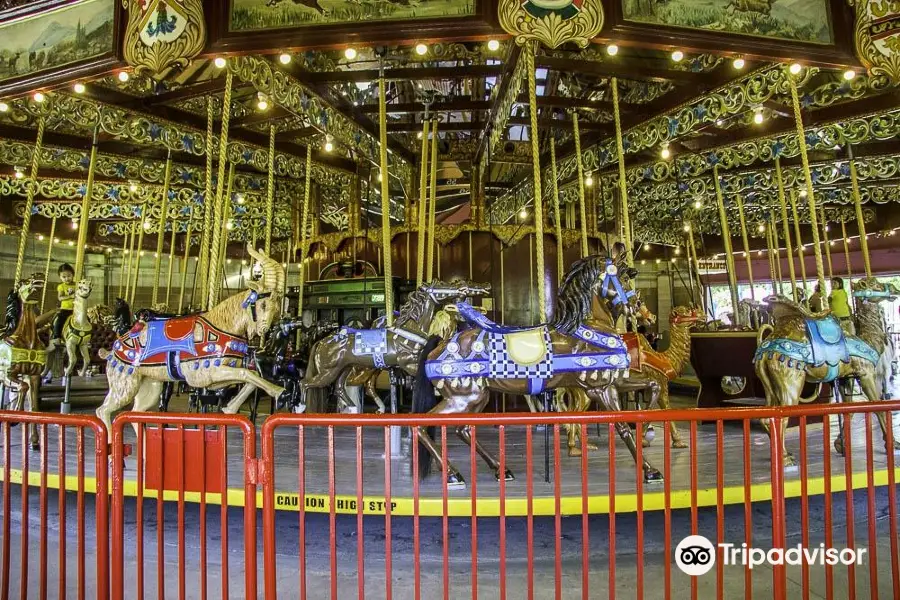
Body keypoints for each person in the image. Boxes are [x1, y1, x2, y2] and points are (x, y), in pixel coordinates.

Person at [51, 263, 76, 343]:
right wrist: (71, 296)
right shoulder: (61, 286)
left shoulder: (77, 285)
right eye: (64, 277)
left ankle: (88, 338)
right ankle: (56, 336)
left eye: (69, 276)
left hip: (76, 309)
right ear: (60, 277)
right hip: (65, 309)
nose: (67, 278)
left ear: (73, 275)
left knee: (87, 319)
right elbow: (60, 297)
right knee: (59, 321)